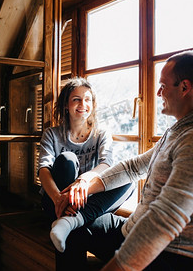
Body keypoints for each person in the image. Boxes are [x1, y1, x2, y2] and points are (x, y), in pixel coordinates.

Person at [61, 51, 193, 270]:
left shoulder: (190, 139)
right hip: (132, 228)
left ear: (184, 87)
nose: (158, 92)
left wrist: (118, 266)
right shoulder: (176, 131)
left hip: (167, 251)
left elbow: (166, 218)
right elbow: (133, 167)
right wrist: (83, 186)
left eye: (163, 85)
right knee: (73, 225)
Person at [38, 77, 134, 254]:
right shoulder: (52, 134)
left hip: (87, 200)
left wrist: (84, 179)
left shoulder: (101, 133)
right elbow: (43, 170)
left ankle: (69, 221)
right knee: (67, 159)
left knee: (128, 180)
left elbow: (107, 163)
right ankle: (70, 219)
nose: (83, 104)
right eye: (76, 99)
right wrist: (60, 199)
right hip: (55, 200)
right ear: (66, 105)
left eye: (87, 99)